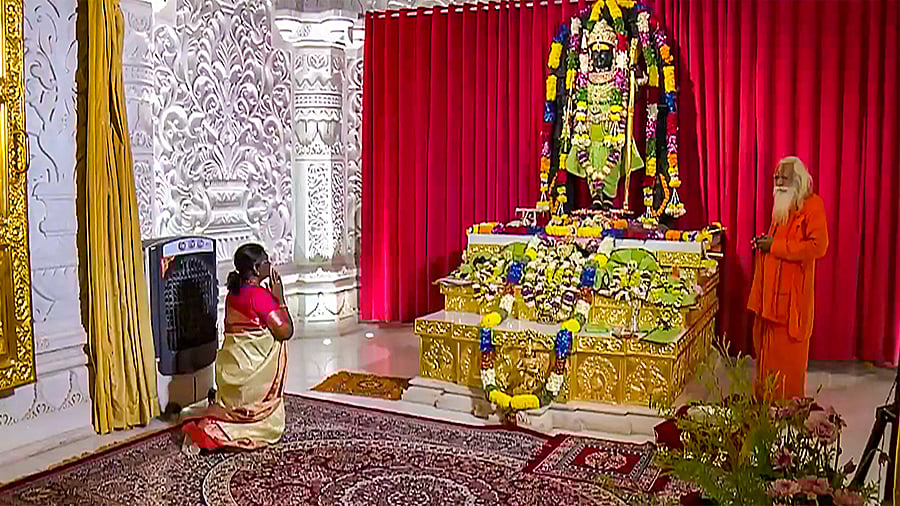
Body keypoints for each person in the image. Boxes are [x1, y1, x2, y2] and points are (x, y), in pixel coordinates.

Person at [182, 243, 294, 453]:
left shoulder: (234, 294)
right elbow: (286, 332)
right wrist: (280, 299)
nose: (269, 265)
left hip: (232, 371)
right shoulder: (260, 296)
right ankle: (218, 432)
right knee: (280, 343)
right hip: (253, 378)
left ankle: (214, 424)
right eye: (265, 261)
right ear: (255, 269)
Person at [748, 156, 828, 400]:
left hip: (791, 303)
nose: (779, 182)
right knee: (766, 358)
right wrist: (764, 243)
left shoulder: (812, 205)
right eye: (776, 178)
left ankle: (785, 413)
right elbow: (780, 242)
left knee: (787, 365)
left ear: (798, 179)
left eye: (784, 178)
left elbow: (818, 247)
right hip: (769, 303)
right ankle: (765, 409)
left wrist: (775, 246)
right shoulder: (782, 207)